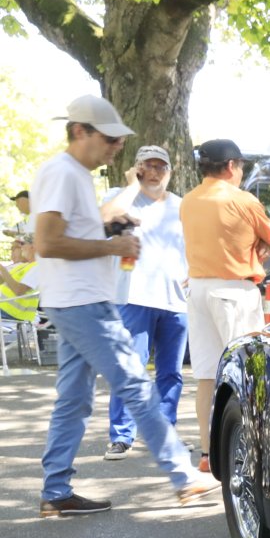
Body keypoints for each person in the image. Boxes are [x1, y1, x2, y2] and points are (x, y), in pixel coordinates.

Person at [32, 94, 214, 516]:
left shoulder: (73, 174)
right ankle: (184, 477)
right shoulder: (63, 172)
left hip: (72, 300)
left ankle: (56, 492)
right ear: (81, 131)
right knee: (135, 383)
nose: (117, 146)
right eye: (110, 138)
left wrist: (108, 230)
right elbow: (48, 242)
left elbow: (68, 233)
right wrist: (111, 245)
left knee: (73, 401)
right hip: (82, 303)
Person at [180, 137, 270, 472]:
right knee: (247, 371)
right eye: (240, 166)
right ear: (229, 166)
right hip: (233, 290)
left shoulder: (188, 201)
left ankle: (207, 454)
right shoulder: (242, 200)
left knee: (206, 375)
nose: (240, 173)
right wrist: (261, 249)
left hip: (197, 289)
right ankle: (252, 449)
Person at [100, 145, 188, 460]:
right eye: (147, 166)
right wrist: (132, 185)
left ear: (170, 172)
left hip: (175, 300)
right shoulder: (121, 196)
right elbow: (103, 218)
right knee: (130, 369)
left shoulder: (181, 205)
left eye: (160, 167)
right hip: (133, 297)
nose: (154, 172)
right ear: (137, 168)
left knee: (171, 373)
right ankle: (122, 436)